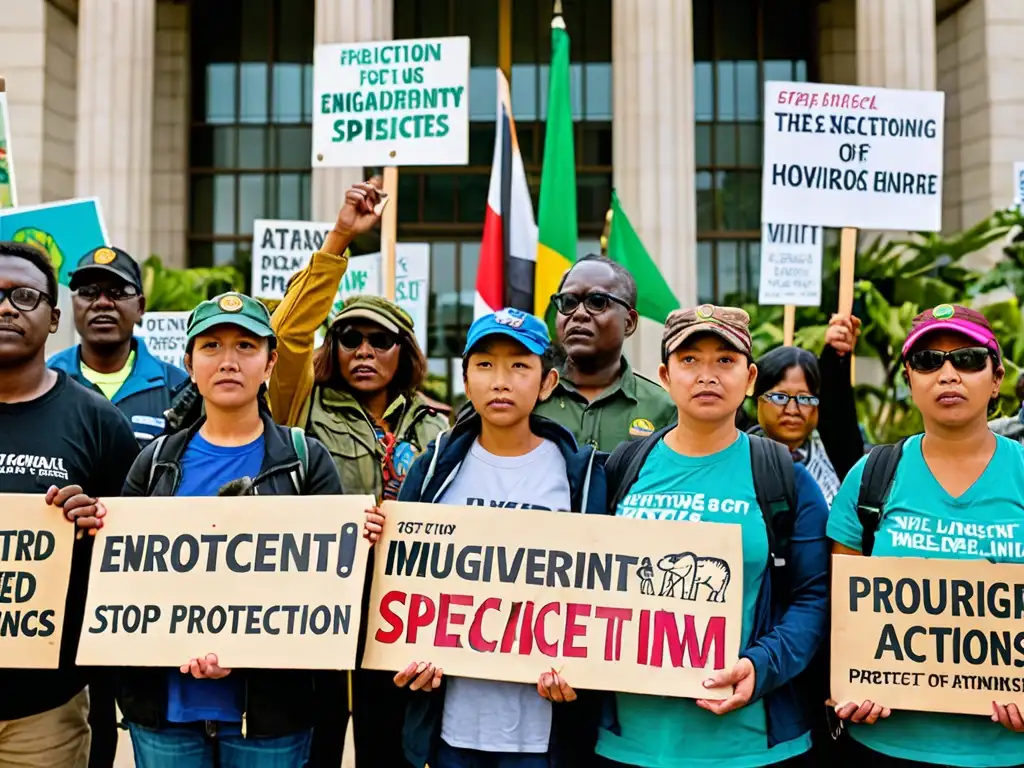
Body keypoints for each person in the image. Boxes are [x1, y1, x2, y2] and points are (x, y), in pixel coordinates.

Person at [363, 307, 607, 768]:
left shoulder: (583, 475)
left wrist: (584, 672)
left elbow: (600, 593)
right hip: (451, 728)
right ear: (466, 378)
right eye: (485, 365)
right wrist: (375, 538)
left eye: (519, 366)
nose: (501, 381)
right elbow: (400, 579)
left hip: (545, 730)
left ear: (548, 383)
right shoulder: (432, 470)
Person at [111, 291, 342, 768]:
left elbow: (329, 585)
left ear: (271, 363)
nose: (228, 361)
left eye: (246, 347)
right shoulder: (154, 464)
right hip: (166, 710)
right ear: (190, 364)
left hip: (271, 714)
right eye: (211, 346)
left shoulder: (305, 461)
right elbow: (123, 581)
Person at [596, 304, 830, 768]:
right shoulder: (623, 468)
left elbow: (813, 597)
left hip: (751, 745)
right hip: (628, 744)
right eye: (689, 360)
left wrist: (761, 666)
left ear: (749, 379)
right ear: (665, 375)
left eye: (725, 360)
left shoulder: (784, 478)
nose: (707, 375)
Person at [268, 182, 448, 767]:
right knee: (314, 752)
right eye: (349, 337)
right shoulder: (300, 403)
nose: (363, 350)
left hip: (403, 623)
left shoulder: (438, 426)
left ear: (406, 352)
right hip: (313, 616)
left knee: (390, 755)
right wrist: (342, 237)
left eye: (380, 340)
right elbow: (287, 333)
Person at [828, 304, 1024, 768]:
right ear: (910, 379)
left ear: (996, 378)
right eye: (929, 361)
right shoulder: (870, 476)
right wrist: (849, 685)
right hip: (886, 743)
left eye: (969, 359)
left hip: (1006, 751)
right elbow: (841, 611)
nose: (949, 373)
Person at [0, 240, 140, 768]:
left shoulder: (98, 420)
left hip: (47, 711)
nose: (6, 307)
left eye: (25, 296)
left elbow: (136, 549)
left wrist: (95, 522)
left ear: (54, 317)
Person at [534, 254, 676, 452]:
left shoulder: (664, 408)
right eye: (568, 302)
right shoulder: (529, 397)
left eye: (597, 301)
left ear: (629, 322)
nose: (579, 314)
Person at [48, 246, 188, 445]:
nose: (102, 303)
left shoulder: (177, 388)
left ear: (140, 307)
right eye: (89, 292)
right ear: (73, 304)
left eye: (118, 292)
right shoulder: (45, 380)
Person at [749, 313, 865, 504]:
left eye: (805, 399)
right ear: (756, 397)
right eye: (780, 397)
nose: (793, 409)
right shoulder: (738, 457)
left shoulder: (836, 456)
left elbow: (838, 405)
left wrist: (837, 353)